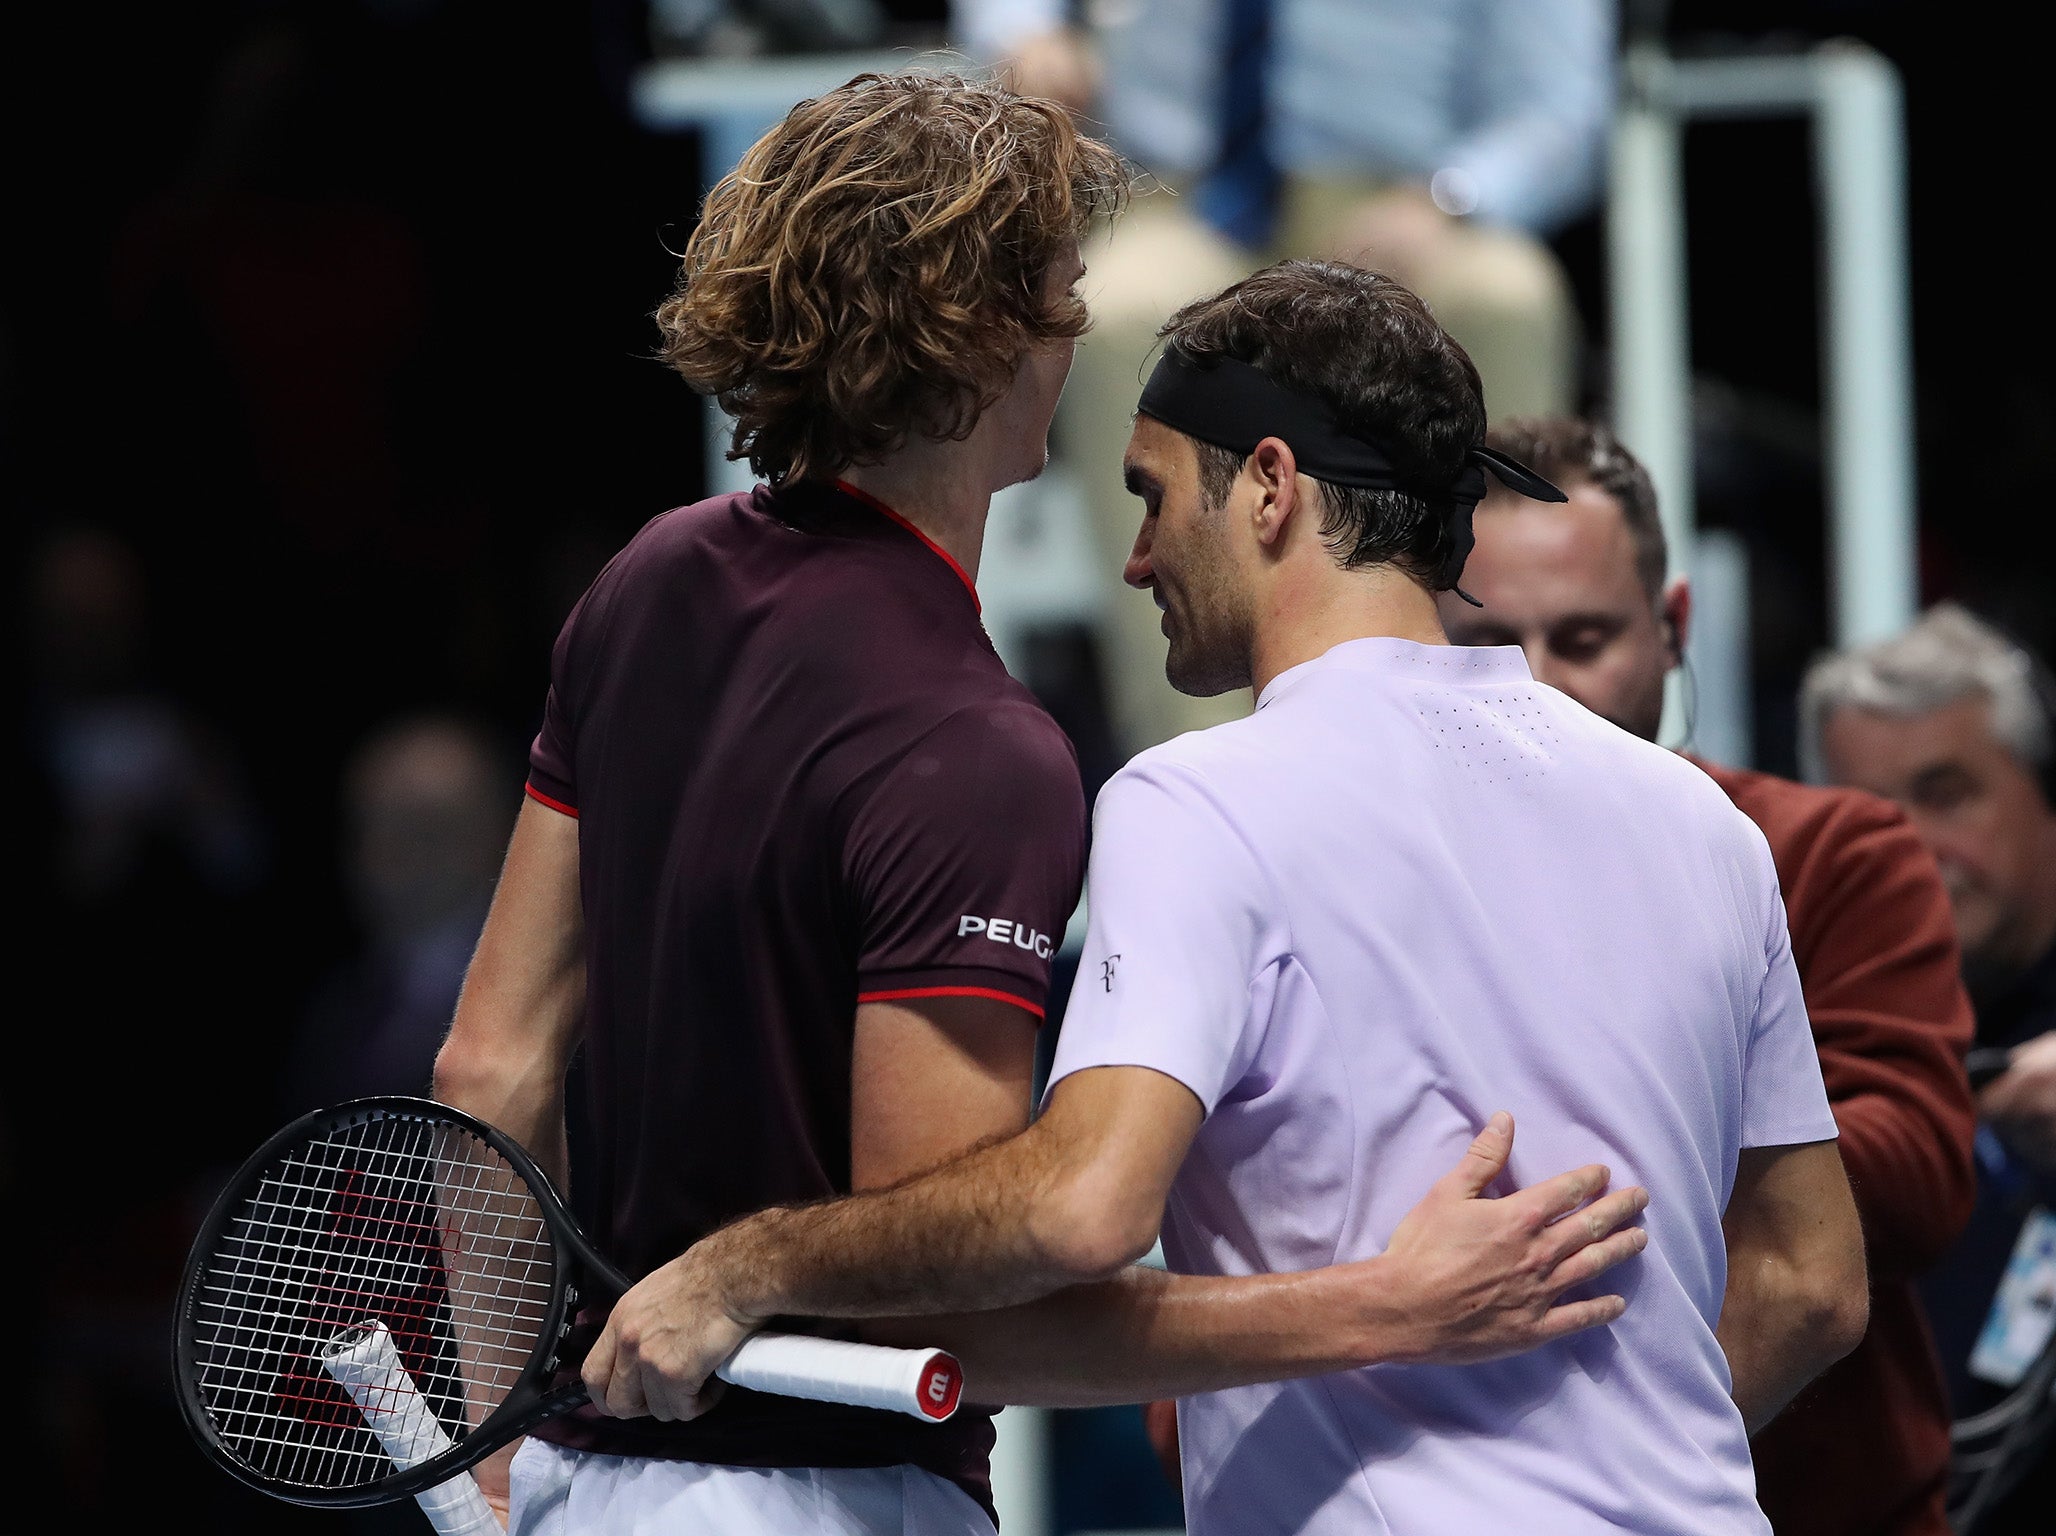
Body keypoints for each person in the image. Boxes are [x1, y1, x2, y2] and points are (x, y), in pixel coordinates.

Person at [432, 76, 1651, 1536]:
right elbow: (949, 1287)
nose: (1080, 330)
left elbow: (490, 1069)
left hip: (582, 1488)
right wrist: (1382, 1304)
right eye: (1066, 292)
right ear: (992, 336)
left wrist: (506, 1440)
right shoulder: (976, 744)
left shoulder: (643, 585)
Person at [569, 259, 1869, 1536]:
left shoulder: (1197, 802)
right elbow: (1814, 1283)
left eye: (1148, 497)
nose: (1134, 561)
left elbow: (1081, 1206)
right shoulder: (1704, 821)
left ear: (1266, 488)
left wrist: (749, 1266)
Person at [1428, 416, 1980, 1536]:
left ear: (1671, 628)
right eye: (1491, 648)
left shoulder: (1831, 855)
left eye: (1583, 638)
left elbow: (1919, 1171)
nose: (1535, 693)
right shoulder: (1355, 893)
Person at [951, 0, 1616, 760]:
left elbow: (1561, 110)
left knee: (1507, 298)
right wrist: (1021, 35)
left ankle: (1498, 748)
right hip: (1181, 196)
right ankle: (1205, 775)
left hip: (1406, 199)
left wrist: (1449, 197)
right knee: (1118, 308)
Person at [1799, 602, 2056, 1534]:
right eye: (1868, 808)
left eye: (1945, 793)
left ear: (2040, 788)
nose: (1904, 845)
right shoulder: (1803, 1030)